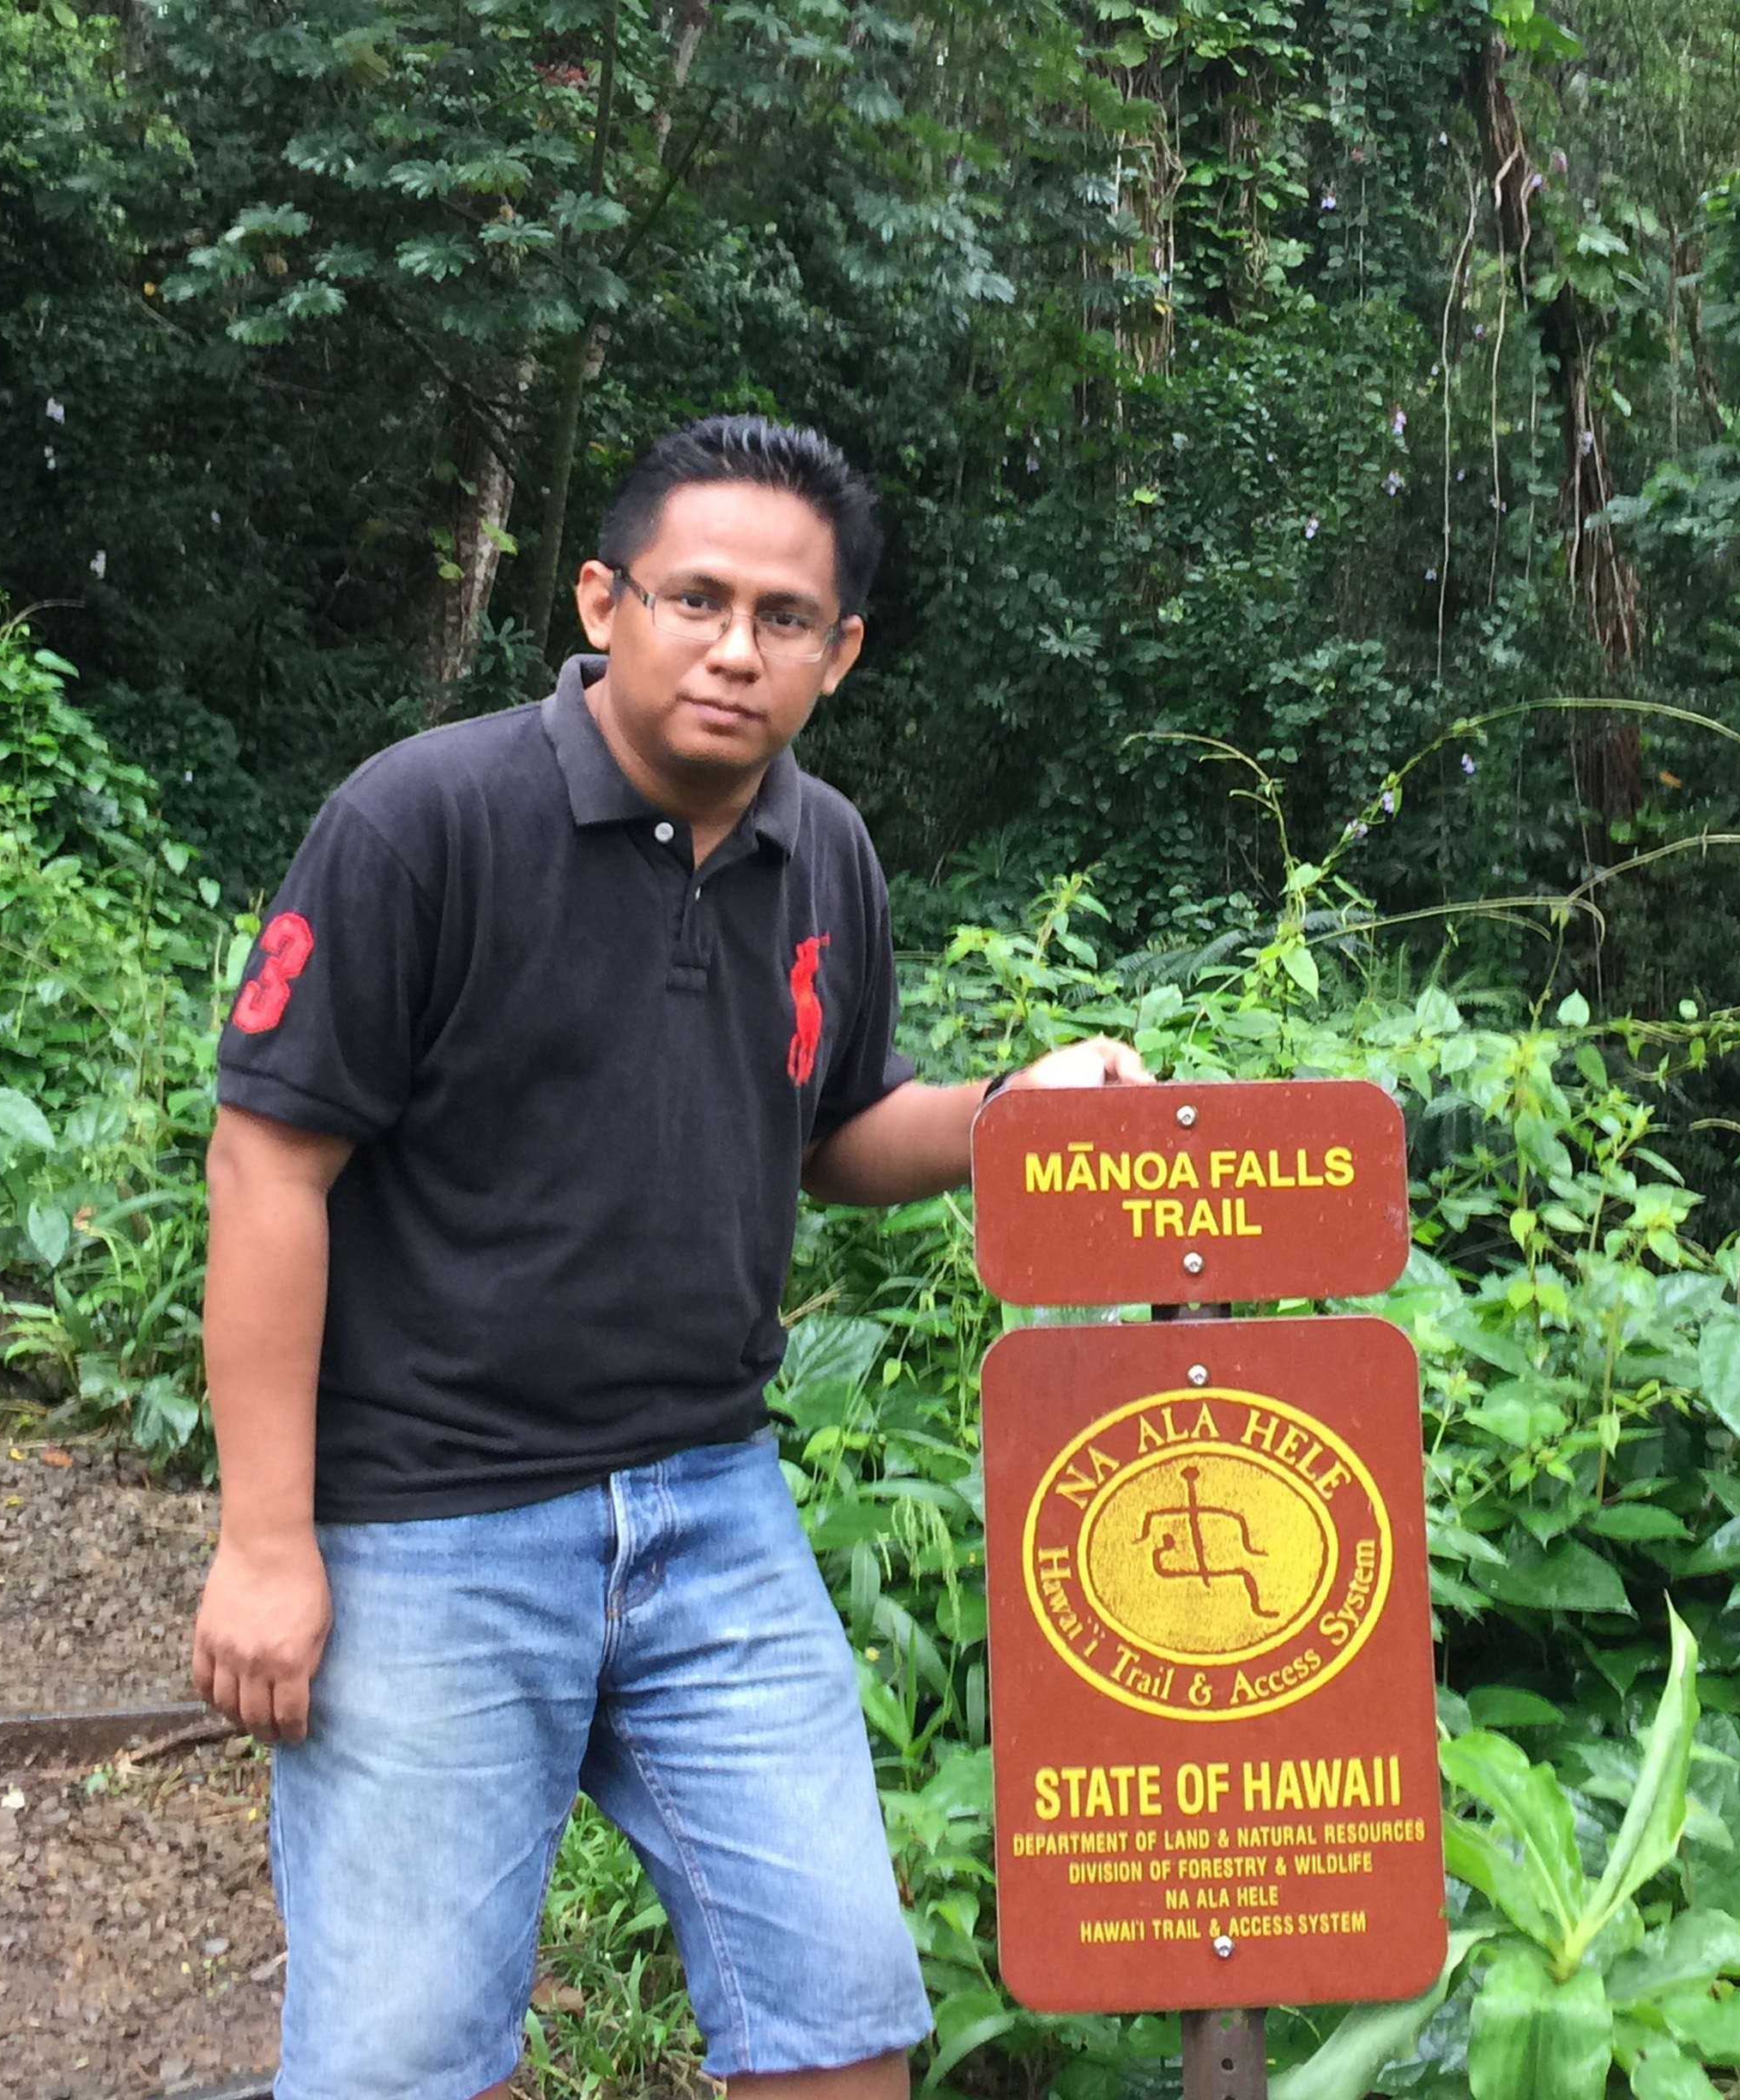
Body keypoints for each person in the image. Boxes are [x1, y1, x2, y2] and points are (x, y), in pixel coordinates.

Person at [189, 413, 1148, 2100]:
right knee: (403, 2060)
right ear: (602, 600)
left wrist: (1010, 1111)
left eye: (786, 618)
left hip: (715, 1503)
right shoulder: (425, 821)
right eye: (694, 598)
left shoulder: (822, 851)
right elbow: (271, 1161)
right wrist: (266, 1544)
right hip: (434, 1515)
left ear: (839, 652)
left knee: (840, 2019)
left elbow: (839, 1128)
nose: (735, 648)